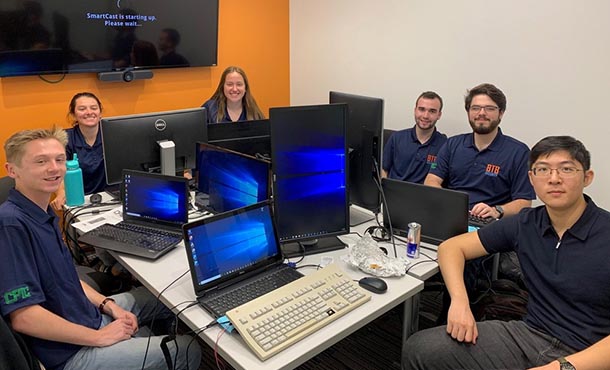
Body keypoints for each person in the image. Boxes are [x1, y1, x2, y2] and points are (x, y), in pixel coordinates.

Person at [0, 127, 201, 370]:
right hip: (70, 353)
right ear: (12, 170)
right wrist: (99, 337)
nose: (54, 168)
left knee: (165, 299)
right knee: (188, 349)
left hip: (88, 317)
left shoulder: (42, 213)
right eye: (41, 161)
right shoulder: (11, 225)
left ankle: (143, 345)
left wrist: (109, 306)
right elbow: (24, 318)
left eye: (59, 159)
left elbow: (67, 277)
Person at [403, 136, 610, 370]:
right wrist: (460, 303)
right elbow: (451, 248)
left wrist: (562, 367)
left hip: (590, 353)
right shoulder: (526, 223)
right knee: (420, 349)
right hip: (529, 335)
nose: (554, 179)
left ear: (587, 177)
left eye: (566, 169)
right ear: (531, 178)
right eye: (543, 169)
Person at [425, 83, 535, 219]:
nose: (481, 113)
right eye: (475, 108)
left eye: (489, 108)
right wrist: (449, 204)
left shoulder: (519, 152)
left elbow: (524, 203)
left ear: (501, 113)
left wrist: (497, 210)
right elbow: (431, 181)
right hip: (451, 216)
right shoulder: (452, 144)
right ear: (468, 112)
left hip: (491, 224)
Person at [51, 92, 106, 210]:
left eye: (94, 108)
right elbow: (56, 172)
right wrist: (61, 192)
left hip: (111, 198)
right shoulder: (64, 139)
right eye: (82, 109)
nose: (89, 112)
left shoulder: (112, 134)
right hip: (78, 202)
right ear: (73, 114)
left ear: (100, 112)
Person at [382, 91, 447, 183]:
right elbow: (383, 169)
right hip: (392, 193)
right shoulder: (396, 138)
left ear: (439, 115)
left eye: (432, 111)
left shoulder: (445, 145)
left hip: (422, 195)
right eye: (421, 109)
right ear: (415, 110)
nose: (425, 116)